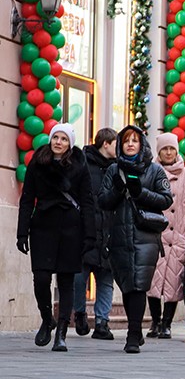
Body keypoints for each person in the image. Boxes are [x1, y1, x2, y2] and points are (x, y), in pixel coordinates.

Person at [17, 123, 95, 352]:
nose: (58, 142)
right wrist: (22, 232)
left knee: (66, 280)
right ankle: (46, 318)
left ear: (70, 144)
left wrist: (90, 235)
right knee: (41, 279)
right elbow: (27, 198)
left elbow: (88, 200)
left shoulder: (80, 165)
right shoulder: (38, 163)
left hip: (71, 228)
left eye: (63, 139)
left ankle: (61, 332)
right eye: (55, 137)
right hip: (42, 226)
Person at [98, 125, 174, 353]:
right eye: (126, 141)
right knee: (127, 286)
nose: (130, 144)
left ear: (142, 144)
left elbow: (165, 199)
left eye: (135, 140)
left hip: (145, 236)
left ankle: (132, 335)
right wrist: (118, 191)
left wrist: (140, 192)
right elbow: (102, 200)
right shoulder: (113, 170)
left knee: (140, 284)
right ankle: (137, 331)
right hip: (119, 236)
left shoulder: (155, 171)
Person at [147, 133, 185, 339]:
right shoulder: (151, 171)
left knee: (173, 282)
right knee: (152, 281)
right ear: (159, 152)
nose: (169, 152)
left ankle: (167, 323)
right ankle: (154, 321)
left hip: (179, 236)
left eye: (172, 149)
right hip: (155, 236)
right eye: (164, 149)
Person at [75, 127, 117, 340]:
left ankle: (102, 322)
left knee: (106, 279)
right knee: (79, 277)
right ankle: (80, 314)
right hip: (86, 229)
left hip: (109, 230)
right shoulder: (83, 162)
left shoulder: (117, 168)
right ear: (106, 144)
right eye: (116, 143)